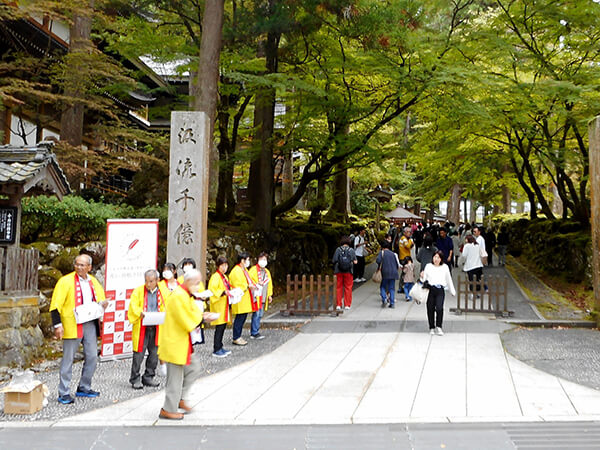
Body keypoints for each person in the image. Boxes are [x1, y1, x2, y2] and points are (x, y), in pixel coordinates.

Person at [158, 269, 215, 420]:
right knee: (174, 378)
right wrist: (202, 319)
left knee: (194, 368)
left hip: (182, 342)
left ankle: (180, 398)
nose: (198, 286)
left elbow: (191, 313)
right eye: (197, 283)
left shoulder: (184, 294)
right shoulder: (178, 296)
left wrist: (202, 316)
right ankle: (168, 408)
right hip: (174, 342)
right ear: (189, 282)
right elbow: (185, 319)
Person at [50, 254, 107, 404]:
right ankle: (64, 392)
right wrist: (58, 325)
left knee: (93, 356)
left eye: (83, 265)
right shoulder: (65, 281)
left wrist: (104, 304)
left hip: (89, 322)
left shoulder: (94, 281)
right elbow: (55, 305)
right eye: (77, 264)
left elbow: (101, 300)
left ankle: (84, 386)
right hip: (72, 323)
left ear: (89, 267)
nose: (79, 267)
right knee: (68, 359)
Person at [128, 270, 164, 390]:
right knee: (139, 354)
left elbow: (168, 305)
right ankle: (135, 378)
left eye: (151, 281)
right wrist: (140, 313)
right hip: (142, 326)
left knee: (154, 354)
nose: (148, 284)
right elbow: (133, 305)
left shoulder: (163, 291)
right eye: (146, 281)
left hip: (157, 326)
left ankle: (148, 376)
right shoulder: (138, 291)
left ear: (157, 280)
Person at [421, 250, 455, 336]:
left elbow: (448, 279)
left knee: (439, 308)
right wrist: (422, 277)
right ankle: (431, 327)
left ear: (441, 259)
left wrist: (452, 290)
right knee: (430, 308)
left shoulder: (445, 267)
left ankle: (439, 326)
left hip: (440, 290)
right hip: (430, 289)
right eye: (435, 257)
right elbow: (424, 279)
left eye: (438, 257)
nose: (436, 259)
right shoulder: (428, 266)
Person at [229, 252, 257, 346]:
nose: (248, 262)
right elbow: (238, 285)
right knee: (239, 318)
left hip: (244, 298)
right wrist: (248, 286)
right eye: (247, 260)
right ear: (242, 260)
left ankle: (238, 336)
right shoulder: (236, 271)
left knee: (242, 317)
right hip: (240, 298)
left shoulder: (243, 269)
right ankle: (236, 337)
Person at [208, 256, 232, 357]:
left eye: (226, 265)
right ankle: (216, 348)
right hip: (219, 305)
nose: (224, 267)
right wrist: (223, 292)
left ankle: (220, 346)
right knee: (219, 327)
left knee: (222, 327)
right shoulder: (215, 277)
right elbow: (212, 290)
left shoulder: (224, 277)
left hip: (224, 305)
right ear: (218, 266)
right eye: (222, 265)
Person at [248, 252, 273, 340]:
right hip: (256, 296)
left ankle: (256, 330)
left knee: (260, 314)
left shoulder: (267, 272)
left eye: (265, 259)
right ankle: (254, 332)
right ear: (258, 260)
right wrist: (257, 284)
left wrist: (269, 295)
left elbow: (269, 284)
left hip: (263, 296)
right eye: (262, 259)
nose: (263, 261)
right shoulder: (253, 270)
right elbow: (250, 281)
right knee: (257, 314)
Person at [333, 236, 357, 310]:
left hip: (338, 271)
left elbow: (334, 260)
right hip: (349, 271)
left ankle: (338, 304)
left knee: (338, 287)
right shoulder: (351, 250)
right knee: (348, 287)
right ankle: (347, 304)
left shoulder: (338, 249)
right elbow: (355, 262)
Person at [376, 241, 400, 308]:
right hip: (393, 272)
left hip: (385, 272)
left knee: (383, 287)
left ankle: (384, 299)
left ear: (382, 247)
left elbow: (378, 260)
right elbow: (396, 263)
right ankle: (392, 303)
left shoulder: (382, 253)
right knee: (392, 288)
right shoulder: (393, 254)